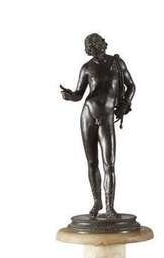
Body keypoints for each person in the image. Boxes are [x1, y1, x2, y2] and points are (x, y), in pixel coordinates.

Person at [60, 33, 135, 218]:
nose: (93, 48)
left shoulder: (117, 63)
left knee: (109, 163)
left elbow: (131, 86)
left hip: (106, 117)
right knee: (92, 162)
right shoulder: (87, 68)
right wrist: (70, 96)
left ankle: (110, 207)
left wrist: (125, 104)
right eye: (90, 46)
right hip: (88, 115)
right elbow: (79, 94)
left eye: (95, 44)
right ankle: (97, 201)